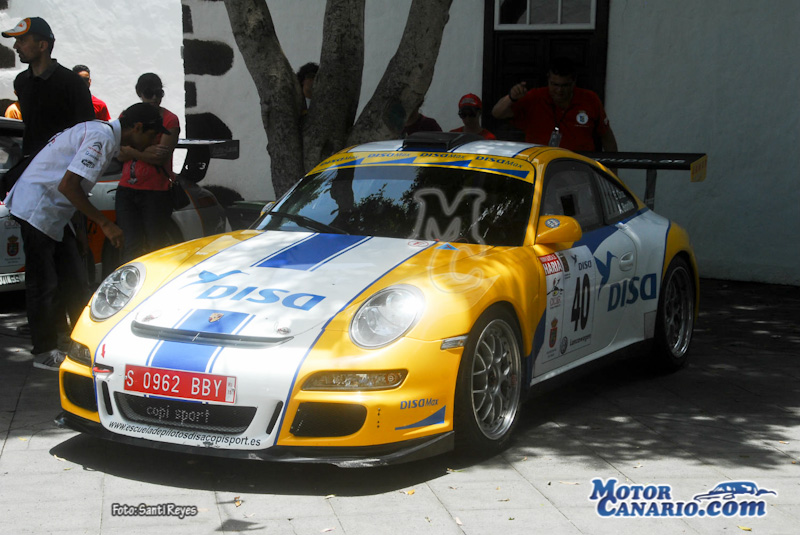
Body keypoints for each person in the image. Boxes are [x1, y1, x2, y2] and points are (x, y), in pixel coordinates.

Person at [4, 103, 168, 370]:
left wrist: (80, 230)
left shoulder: (102, 134)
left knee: (75, 280)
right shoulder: (101, 137)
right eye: (152, 135)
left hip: (56, 213)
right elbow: (68, 185)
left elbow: (73, 185)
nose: (154, 142)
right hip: (38, 208)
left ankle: (74, 341)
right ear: (137, 128)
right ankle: (44, 351)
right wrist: (105, 223)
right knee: (44, 284)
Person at [2, 17, 94, 157]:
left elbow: (88, 131)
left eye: (22, 40)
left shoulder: (72, 83)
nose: (15, 46)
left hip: (63, 164)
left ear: (42, 45)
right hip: (30, 163)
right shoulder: (21, 81)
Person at [115, 73, 181, 264]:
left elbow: (160, 157)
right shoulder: (128, 115)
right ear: (139, 93)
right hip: (127, 189)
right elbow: (119, 154)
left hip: (156, 191)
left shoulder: (169, 119)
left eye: (159, 93)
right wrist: (146, 151)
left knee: (156, 246)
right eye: (149, 93)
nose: (154, 98)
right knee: (131, 244)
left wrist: (132, 150)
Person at [492, 57, 618, 152]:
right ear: (548, 80)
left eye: (565, 85)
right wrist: (511, 97)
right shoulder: (535, 97)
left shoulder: (590, 99)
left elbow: (607, 137)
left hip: (579, 168)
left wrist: (613, 173)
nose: (559, 90)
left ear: (574, 82)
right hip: (541, 167)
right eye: (555, 85)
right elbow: (497, 113)